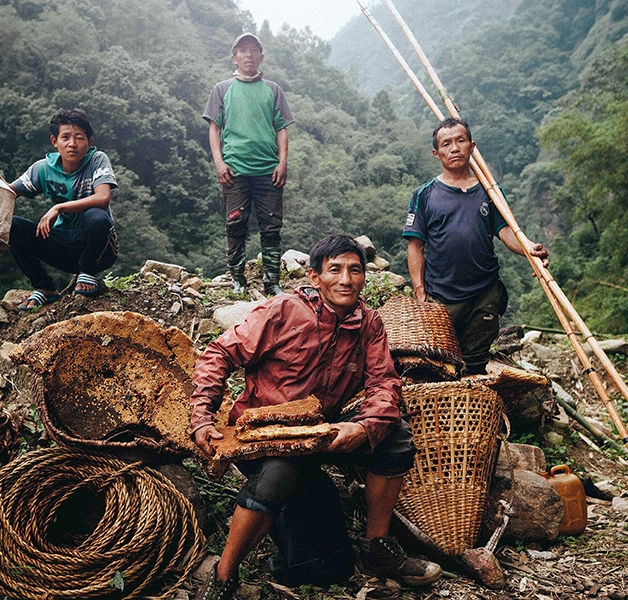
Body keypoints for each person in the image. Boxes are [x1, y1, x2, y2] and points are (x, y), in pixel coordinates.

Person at [190, 235, 443, 600]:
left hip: (320, 431)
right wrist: (202, 417)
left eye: (355, 270)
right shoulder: (283, 311)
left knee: (396, 437)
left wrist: (362, 425)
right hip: (265, 436)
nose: (346, 279)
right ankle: (223, 575)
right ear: (314, 277)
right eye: (335, 270)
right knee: (281, 479)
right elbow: (218, 354)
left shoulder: (368, 323)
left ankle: (377, 549)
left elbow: (385, 384)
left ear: (364, 278)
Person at [402, 117, 549, 375]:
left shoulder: (490, 191)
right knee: (438, 363)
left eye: (460, 140)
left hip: (484, 291)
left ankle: (473, 409)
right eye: (446, 144)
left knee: (475, 363)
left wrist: (529, 249)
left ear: (472, 145)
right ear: (436, 154)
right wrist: (419, 290)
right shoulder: (424, 194)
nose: (455, 148)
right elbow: (415, 245)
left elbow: (506, 231)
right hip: (442, 293)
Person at [0, 108, 119, 311]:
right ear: (54, 141)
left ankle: (87, 271)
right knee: (13, 225)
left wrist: (58, 207)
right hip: (62, 247)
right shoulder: (43, 168)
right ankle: (44, 287)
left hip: (98, 249)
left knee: (97, 216)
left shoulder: (97, 160)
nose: (72, 144)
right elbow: (7, 194)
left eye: (79, 138)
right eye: (66, 137)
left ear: (90, 141)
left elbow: (103, 198)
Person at [203, 33, 294, 296]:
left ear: (261, 57)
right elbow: (214, 128)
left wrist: (283, 162)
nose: (249, 55)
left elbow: (282, 128)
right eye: (243, 50)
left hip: (268, 170)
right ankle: (237, 279)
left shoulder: (273, 89)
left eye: (254, 50)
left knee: (271, 226)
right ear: (234, 57)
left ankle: (272, 281)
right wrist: (219, 162)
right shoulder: (222, 89)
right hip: (235, 170)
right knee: (235, 223)